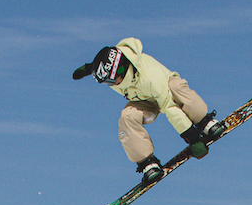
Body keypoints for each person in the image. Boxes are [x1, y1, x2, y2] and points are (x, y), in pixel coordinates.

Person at [73, 40, 223, 181]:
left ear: (121, 69)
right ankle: (147, 162)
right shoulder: (117, 73)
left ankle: (204, 121)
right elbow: (102, 63)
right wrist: (89, 69)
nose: (110, 84)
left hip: (166, 92)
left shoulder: (149, 77)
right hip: (145, 100)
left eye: (110, 80)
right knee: (127, 117)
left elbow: (170, 109)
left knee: (177, 88)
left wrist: (194, 139)